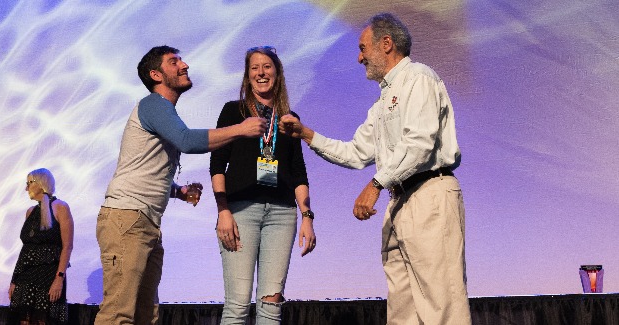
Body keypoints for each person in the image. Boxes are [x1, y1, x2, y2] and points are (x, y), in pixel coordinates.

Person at [279, 13, 471, 325]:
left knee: (442, 307)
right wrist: (307, 134)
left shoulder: (419, 78)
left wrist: (375, 185)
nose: (359, 57)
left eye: (362, 48)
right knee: (402, 312)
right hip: (400, 203)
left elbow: (419, 144)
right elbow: (355, 152)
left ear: (386, 44)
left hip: (429, 196)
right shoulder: (382, 103)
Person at [95, 45, 267, 325]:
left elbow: (145, 168)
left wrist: (179, 191)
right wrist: (241, 128)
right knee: (118, 314)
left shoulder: (164, 112)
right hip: (127, 219)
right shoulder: (153, 104)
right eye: (174, 62)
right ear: (156, 75)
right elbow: (187, 141)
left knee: (144, 316)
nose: (184, 65)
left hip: (145, 221)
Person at [209, 46, 316, 324]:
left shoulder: (289, 118)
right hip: (240, 211)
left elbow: (298, 172)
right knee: (238, 304)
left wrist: (307, 217)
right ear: (247, 76)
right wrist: (223, 211)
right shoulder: (234, 111)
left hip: (282, 215)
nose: (261, 73)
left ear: (277, 74)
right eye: (254, 68)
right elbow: (217, 164)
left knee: (272, 305)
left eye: (267, 67)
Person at [9, 168, 74, 325]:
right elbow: (26, 250)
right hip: (26, 276)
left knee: (42, 319)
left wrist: (59, 279)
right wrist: (14, 280)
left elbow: (67, 247)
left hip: (49, 275)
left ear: (41, 183)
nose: (26, 188)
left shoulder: (60, 207)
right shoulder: (30, 212)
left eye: (29, 183)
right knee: (24, 320)